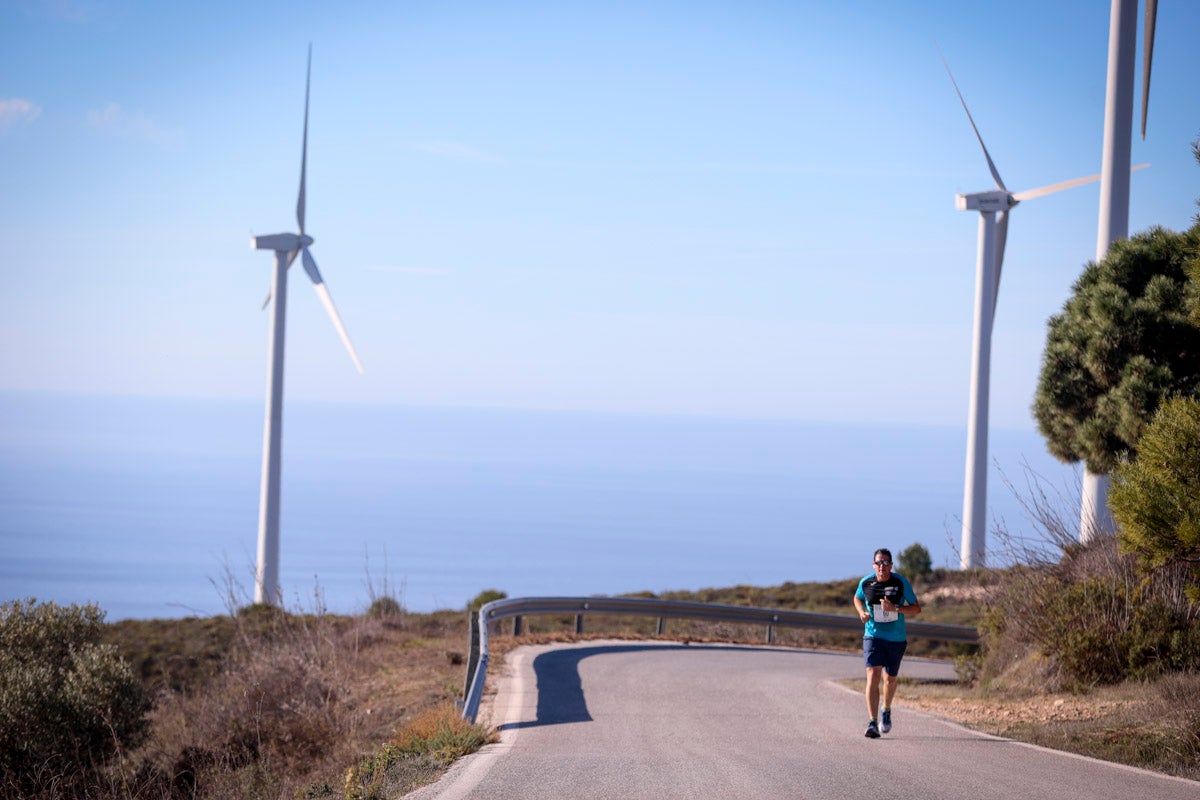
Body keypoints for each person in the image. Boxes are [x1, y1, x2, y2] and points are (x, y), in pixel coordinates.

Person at [853, 547, 921, 738]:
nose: (881, 566)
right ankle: (872, 722)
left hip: (896, 638)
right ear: (873, 565)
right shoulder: (866, 582)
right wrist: (862, 613)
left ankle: (886, 708)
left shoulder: (900, 582)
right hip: (873, 635)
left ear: (891, 565)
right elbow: (857, 598)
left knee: (889, 679)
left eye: (885, 563)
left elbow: (916, 609)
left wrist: (896, 608)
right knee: (872, 673)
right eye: (878, 563)